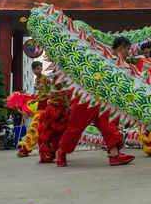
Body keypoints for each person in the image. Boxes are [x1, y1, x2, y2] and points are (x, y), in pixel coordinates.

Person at [56, 36, 136, 167]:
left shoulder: (122, 63)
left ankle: (115, 155)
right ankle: (61, 151)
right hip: (85, 99)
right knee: (75, 129)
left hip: (103, 101)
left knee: (109, 125)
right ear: (121, 48)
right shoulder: (100, 56)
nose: (129, 52)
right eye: (128, 49)